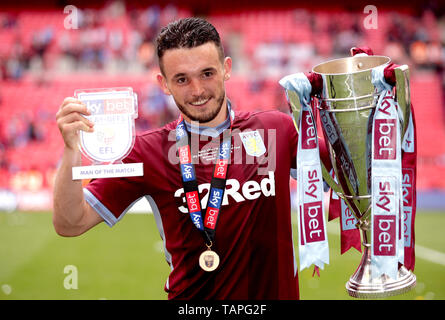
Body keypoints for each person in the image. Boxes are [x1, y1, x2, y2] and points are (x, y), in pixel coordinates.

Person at [53, 17, 327, 299]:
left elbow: (349, 178)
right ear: (164, 84)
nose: (197, 91)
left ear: (226, 69)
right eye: (182, 79)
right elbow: (70, 222)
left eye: (207, 73)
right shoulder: (148, 151)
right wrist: (71, 148)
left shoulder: (275, 129)